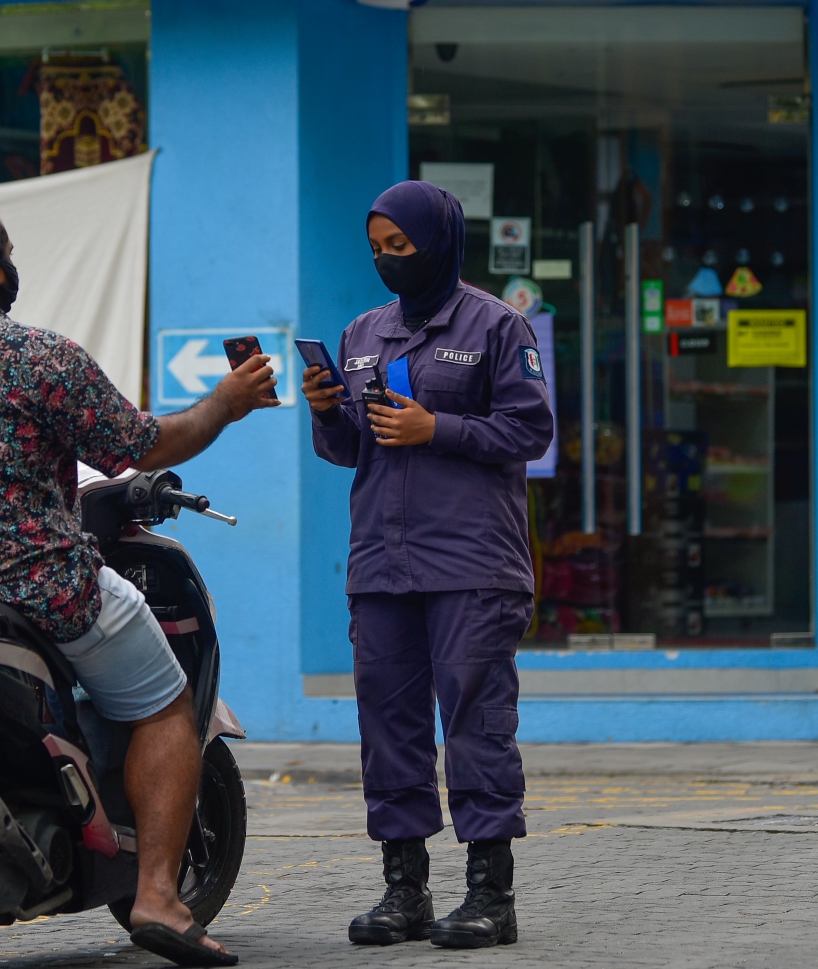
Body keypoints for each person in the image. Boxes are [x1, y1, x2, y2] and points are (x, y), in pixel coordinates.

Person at [0, 191, 278, 967]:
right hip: (39, 594)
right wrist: (226, 402)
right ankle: (158, 897)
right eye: (7, 256)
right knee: (167, 697)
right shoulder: (36, 356)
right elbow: (147, 442)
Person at [303, 181, 553, 950]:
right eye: (376, 248)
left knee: (476, 720)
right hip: (382, 563)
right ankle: (404, 887)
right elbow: (351, 447)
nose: (386, 259)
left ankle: (490, 893)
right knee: (389, 725)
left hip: (472, 560)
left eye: (400, 246)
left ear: (438, 241)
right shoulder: (361, 333)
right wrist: (325, 407)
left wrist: (434, 426)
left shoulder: (498, 325)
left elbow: (530, 429)